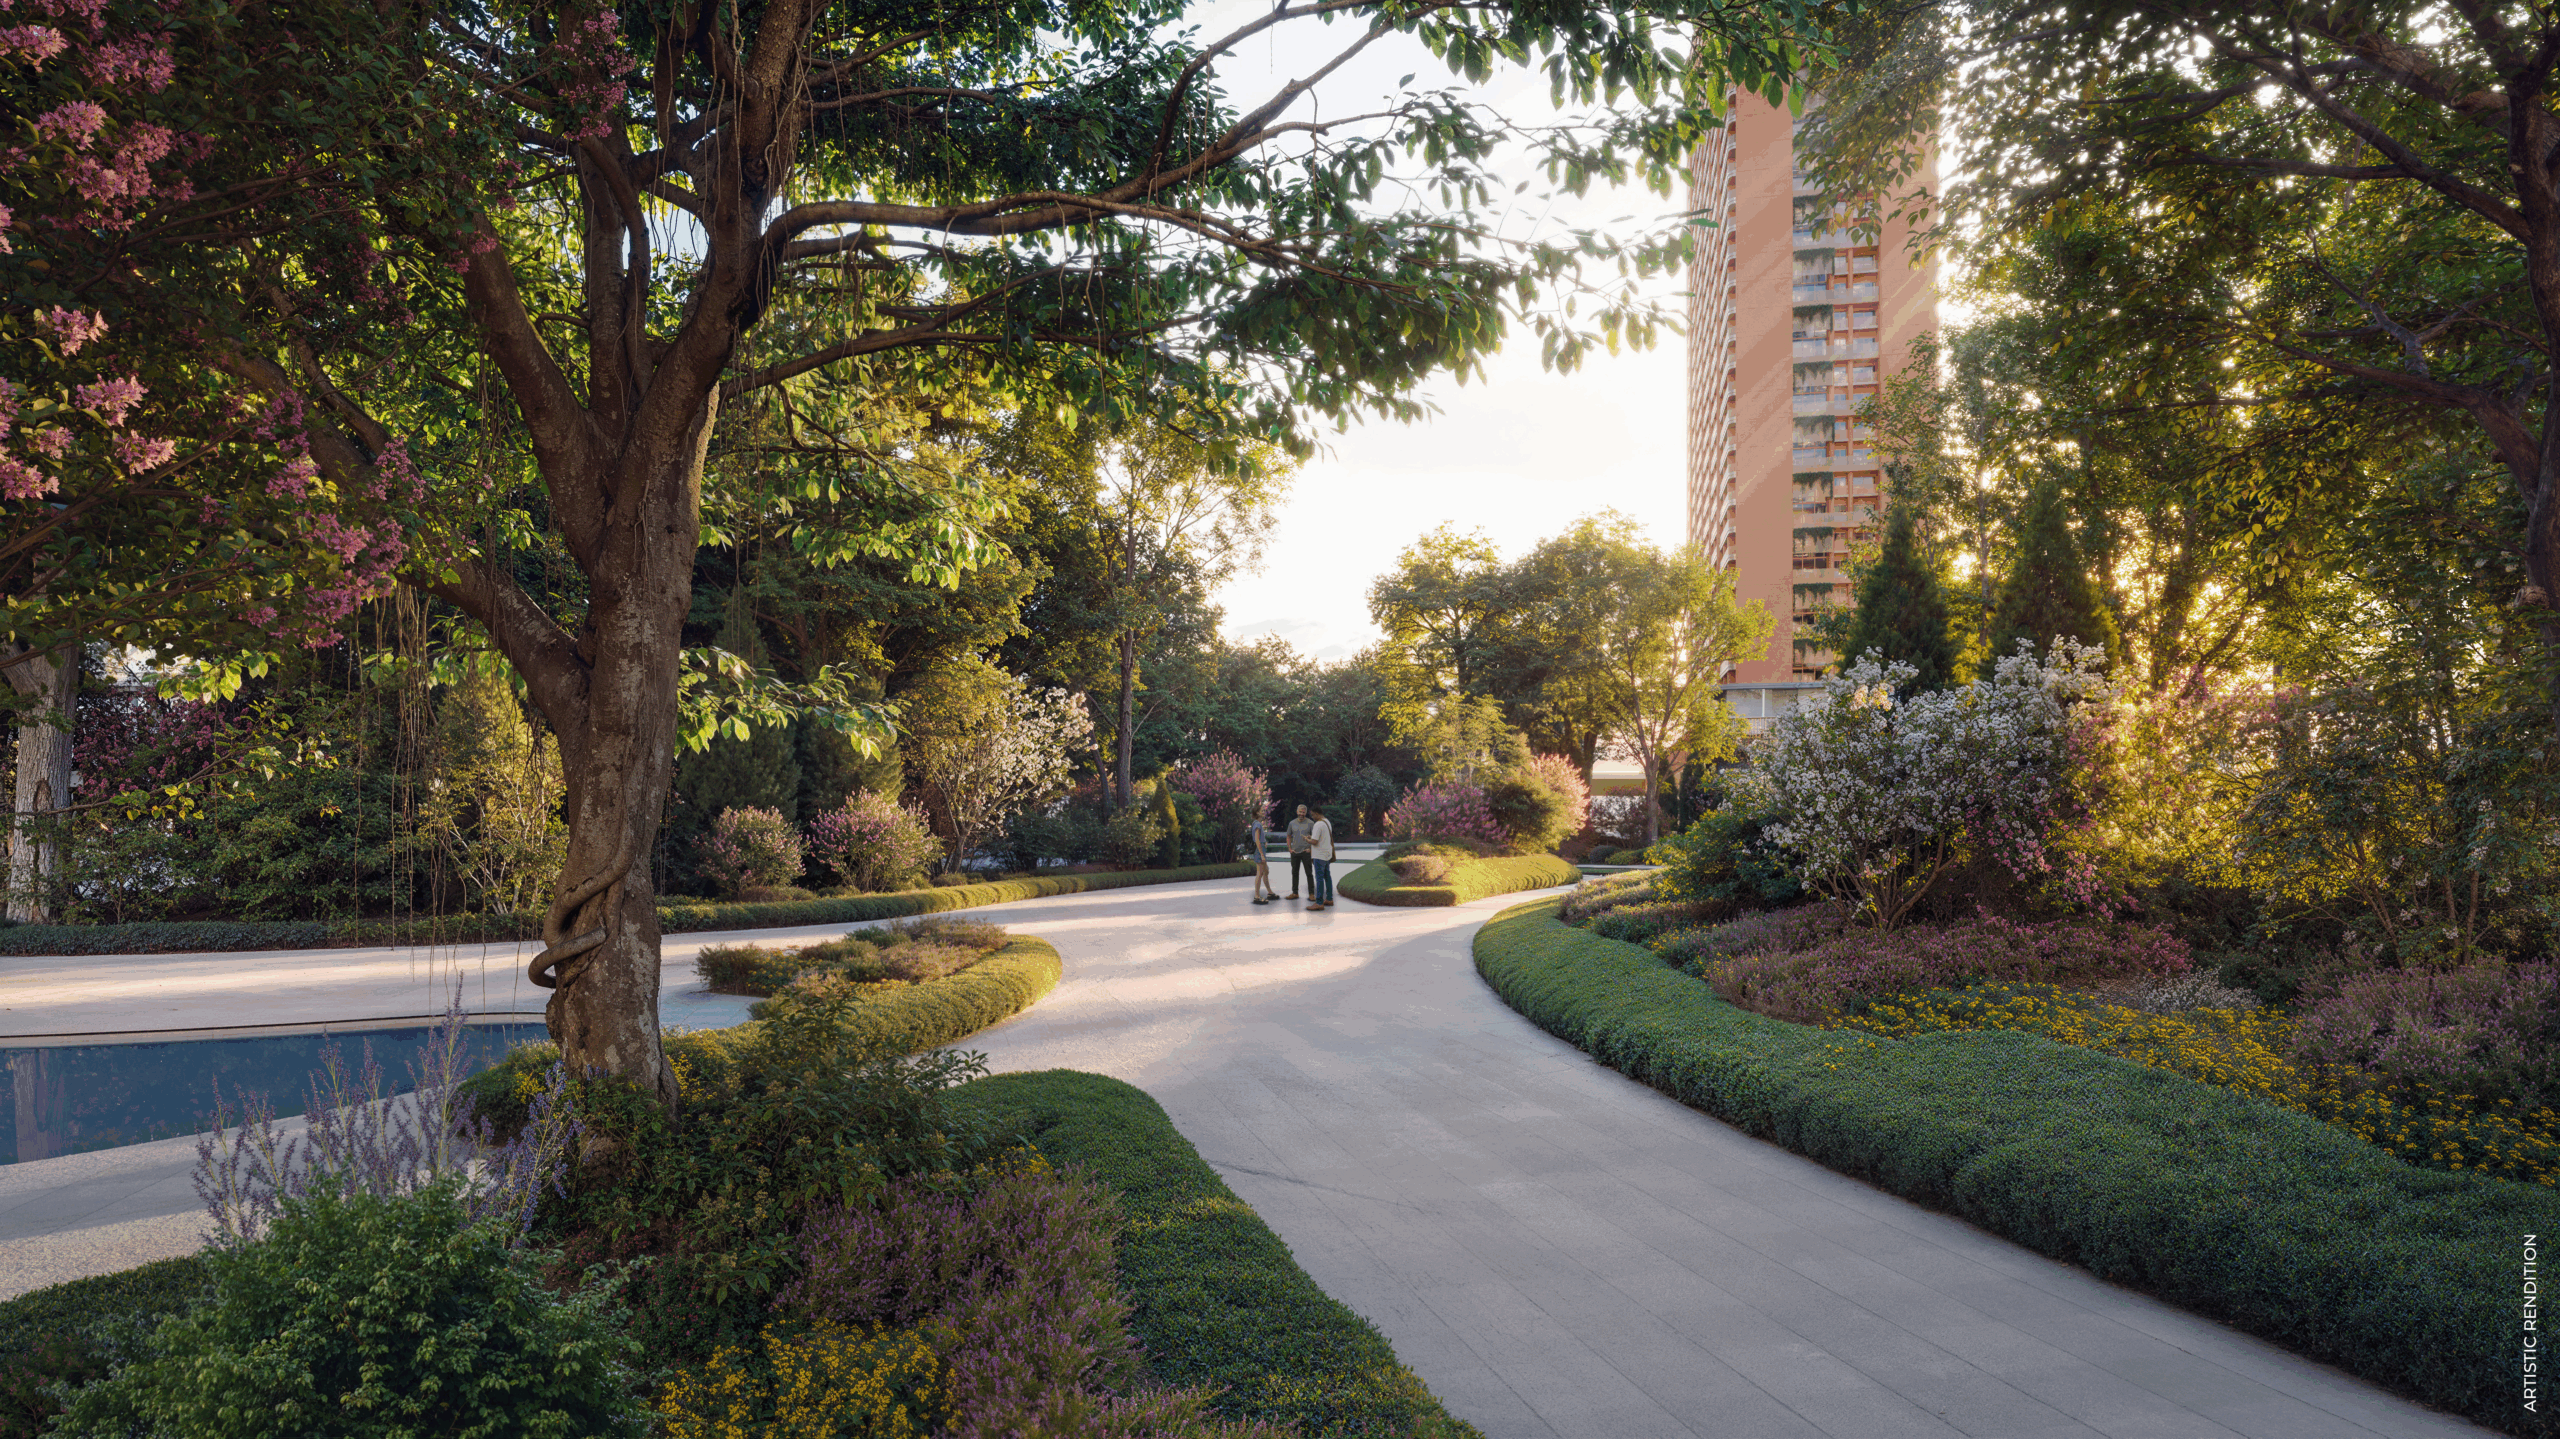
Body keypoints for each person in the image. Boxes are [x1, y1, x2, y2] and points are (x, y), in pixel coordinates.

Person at [1306, 804, 1336, 909]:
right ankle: (1329, 899)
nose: (1312, 817)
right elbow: (1323, 837)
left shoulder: (1318, 824)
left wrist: (1308, 840)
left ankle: (1319, 903)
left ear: (1317, 814)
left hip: (1319, 855)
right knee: (1327, 877)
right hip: (1327, 854)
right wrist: (1312, 837)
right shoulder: (1327, 822)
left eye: (1313, 815)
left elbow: (1314, 841)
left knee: (1319, 879)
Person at [1285, 803, 1314, 900]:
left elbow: (1315, 838)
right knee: (1294, 873)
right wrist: (1289, 848)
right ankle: (1295, 893)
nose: (1302, 814)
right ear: (1297, 812)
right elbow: (1288, 836)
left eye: (1304, 812)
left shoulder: (1310, 823)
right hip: (1295, 852)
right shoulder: (1292, 823)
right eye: (1300, 812)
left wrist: (1311, 849)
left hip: (1306, 852)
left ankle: (1311, 894)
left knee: (1309, 873)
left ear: (1306, 813)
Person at [1247, 810, 1276, 905]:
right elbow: (1256, 840)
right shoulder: (1257, 824)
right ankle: (1257, 897)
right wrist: (1262, 854)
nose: (1264, 813)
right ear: (1257, 813)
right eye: (1262, 811)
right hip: (1259, 851)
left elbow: (1259, 839)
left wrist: (1265, 842)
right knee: (1260, 873)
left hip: (1261, 850)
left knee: (1265, 871)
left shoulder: (1257, 824)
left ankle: (1270, 892)